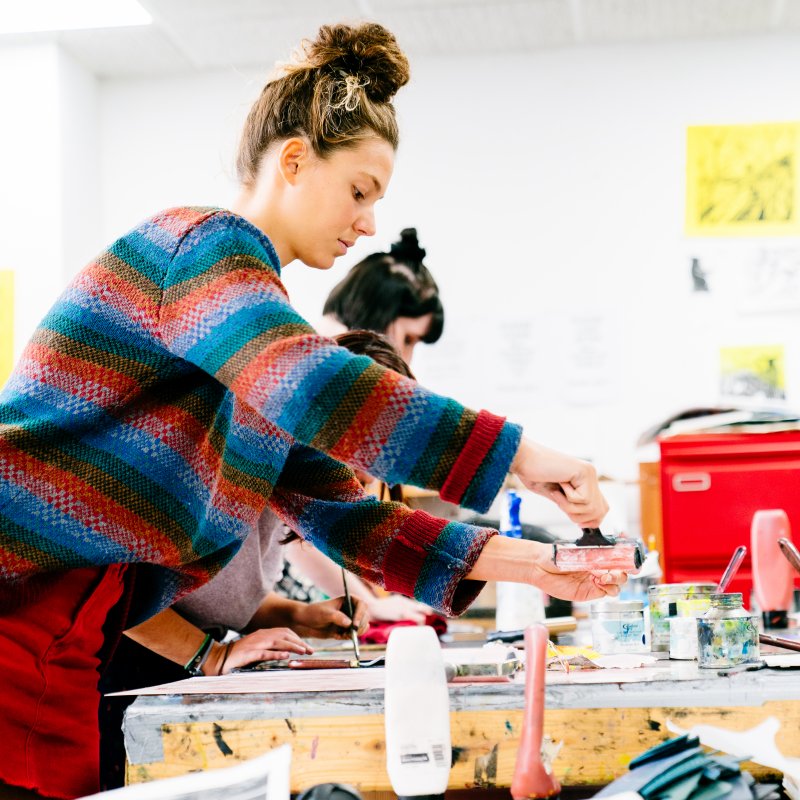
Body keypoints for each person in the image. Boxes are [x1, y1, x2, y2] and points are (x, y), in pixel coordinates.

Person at [0, 22, 620, 799]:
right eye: (359, 192)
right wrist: (522, 455)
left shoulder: (255, 330)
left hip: (71, 641)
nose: (368, 224)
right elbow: (314, 386)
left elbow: (350, 519)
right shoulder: (198, 251)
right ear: (293, 161)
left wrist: (547, 567)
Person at [320, 227, 442, 364]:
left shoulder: (309, 353)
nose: (407, 361)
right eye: (407, 340)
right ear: (372, 310)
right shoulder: (337, 365)